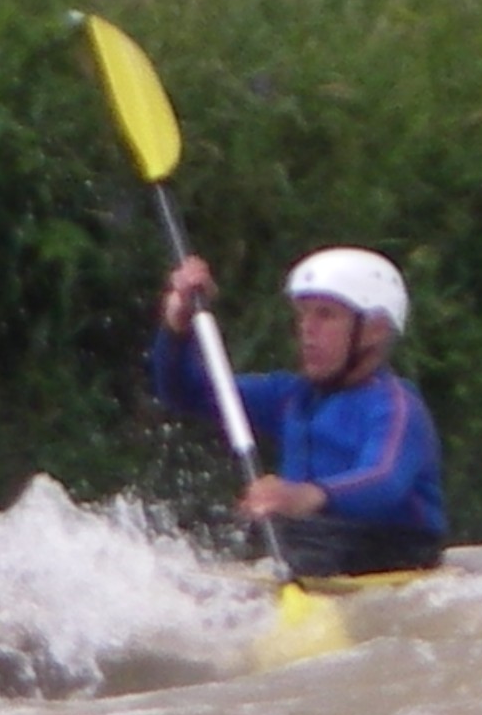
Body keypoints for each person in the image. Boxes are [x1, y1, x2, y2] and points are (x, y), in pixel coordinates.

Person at [151, 246, 447, 577]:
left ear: (374, 329)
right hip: (309, 544)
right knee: (260, 539)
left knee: (300, 547)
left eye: (326, 315)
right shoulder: (290, 396)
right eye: (303, 314)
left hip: (389, 549)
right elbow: (186, 392)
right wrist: (178, 327)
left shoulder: (397, 406)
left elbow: (384, 481)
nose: (307, 328)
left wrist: (305, 496)